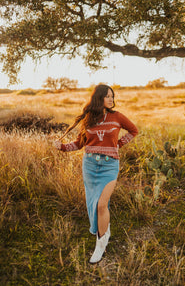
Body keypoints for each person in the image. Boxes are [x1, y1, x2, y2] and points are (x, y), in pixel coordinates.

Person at [54, 84, 138, 264]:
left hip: (110, 166)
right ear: (98, 98)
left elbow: (134, 130)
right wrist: (61, 147)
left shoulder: (117, 117)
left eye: (112, 97)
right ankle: (104, 230)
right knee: (93, 204)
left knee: (101, 205)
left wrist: (119, 144)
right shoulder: (88, 119)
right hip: (90, 165)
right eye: (108, 96)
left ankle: (101, 244)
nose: (111, 100)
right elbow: (78, 144)